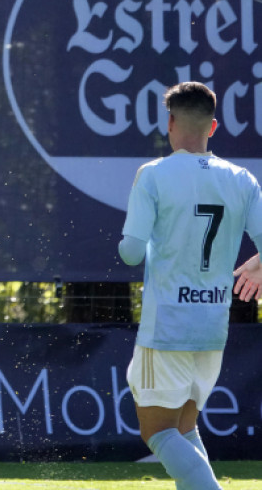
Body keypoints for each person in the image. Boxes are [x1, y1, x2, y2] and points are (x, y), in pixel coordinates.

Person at [118, 82, 262, 490]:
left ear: (170, 122)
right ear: (213, 127)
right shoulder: (241, 179)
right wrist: (257, 262)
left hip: (167, 326)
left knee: (158, 433)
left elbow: (130, 252)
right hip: (212, 328)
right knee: (183, 429)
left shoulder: (154, 173)